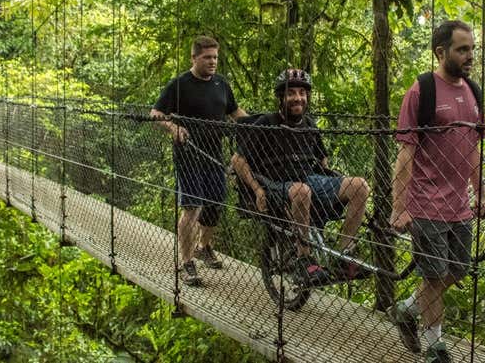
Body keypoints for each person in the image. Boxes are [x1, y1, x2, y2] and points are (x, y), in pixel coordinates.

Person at [390, 20, 485, 363]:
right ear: (441, 52)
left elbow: (473, 148)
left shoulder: (474, 91)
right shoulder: (421, 91)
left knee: (456, 270)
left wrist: (481, 195)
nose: (470, 55)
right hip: (426, 202)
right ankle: (435, 346)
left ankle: (406, 309)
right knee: (433, 277)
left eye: (472, 48)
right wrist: (399, 208)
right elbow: (406, 152)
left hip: (460, 203)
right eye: (462, 49)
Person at [232, 68, 371, 285]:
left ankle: (345, 256)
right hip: (275, 183)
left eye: (302, 93)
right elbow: (238, 161)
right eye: (291, 93)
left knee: (359, 185)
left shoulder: (310, 125)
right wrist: (257, 189)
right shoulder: (266, 123)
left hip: (309, 179)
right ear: (281, 97)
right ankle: (303, 259)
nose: (298, 98)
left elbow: (322, 161)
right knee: (301, 190)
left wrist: (333, 180)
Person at [150, 36, 246, 286]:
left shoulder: (221, 84)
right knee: (192, 207)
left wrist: (258, 126)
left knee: (215, 203)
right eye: (207, 57)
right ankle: (187, 261)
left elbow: (235, 112)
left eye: (215, 57)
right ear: (194, 58)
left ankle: (204, 247)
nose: (213, 62)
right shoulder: (179, 84)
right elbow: (156, 113)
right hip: (188, 155)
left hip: (214, 154)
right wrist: (173, 128)